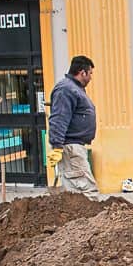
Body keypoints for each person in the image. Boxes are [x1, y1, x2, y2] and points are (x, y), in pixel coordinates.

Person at [46, 56, 98, 193]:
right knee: (86, 191)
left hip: (75, 147)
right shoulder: (66, 89)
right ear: (82, 72)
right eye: (90, 73)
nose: (91, 78)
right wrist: (57, 146)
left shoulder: (74, 89)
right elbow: (59, 118)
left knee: (77, 193)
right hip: (71, 148)